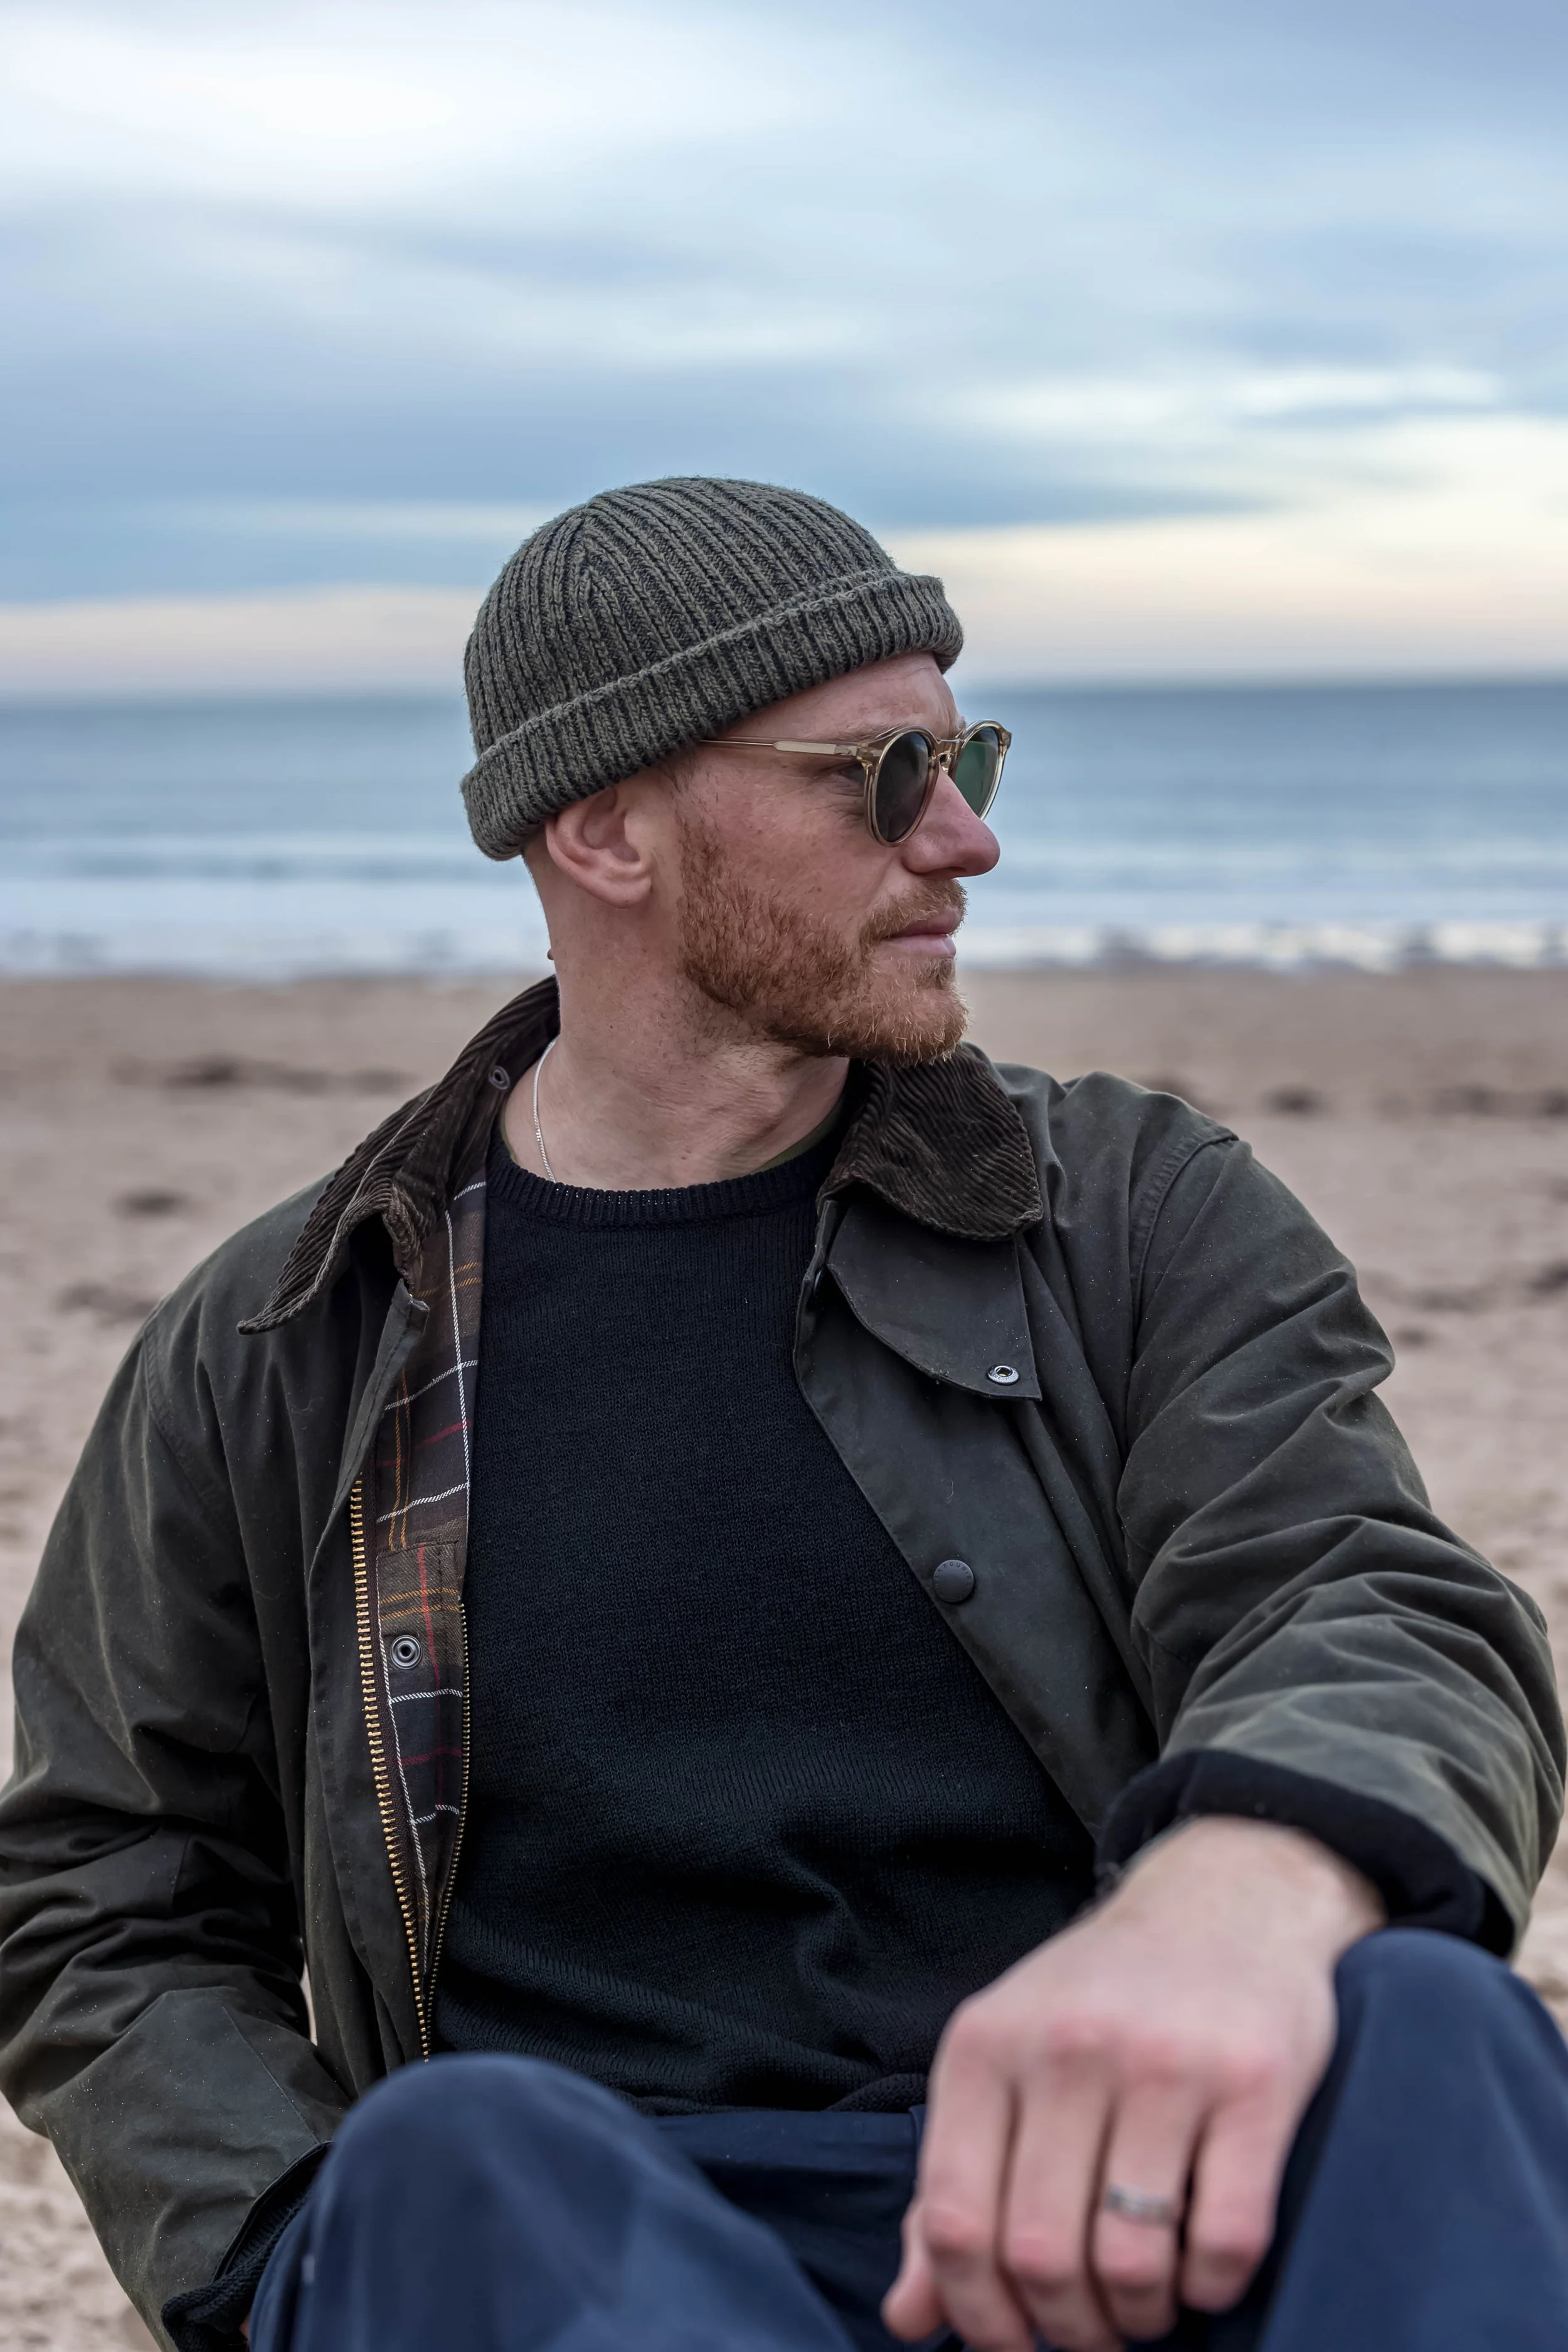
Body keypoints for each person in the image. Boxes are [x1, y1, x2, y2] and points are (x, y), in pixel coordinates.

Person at [1, 477, 1565, 2352]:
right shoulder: (285, 1332)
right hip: (591, 2247)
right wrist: (283, 2245)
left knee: (1429, 2020)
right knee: (448, 2151)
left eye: (969, 752)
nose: (967, 837)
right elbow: (105, 1877)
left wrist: (1246, 1874)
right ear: (605, 830)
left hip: (1112, 2182)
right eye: (881, 772)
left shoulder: (1131, 1210)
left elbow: (1368, 1597)